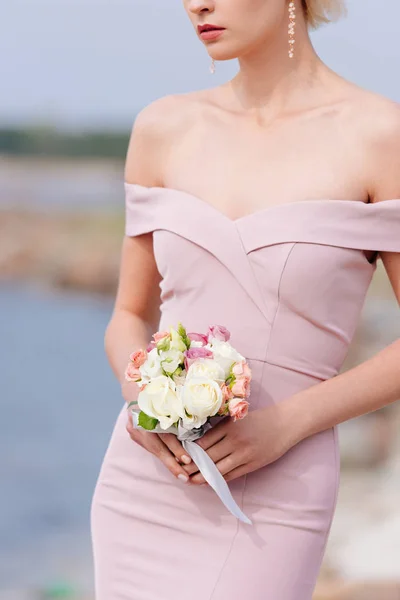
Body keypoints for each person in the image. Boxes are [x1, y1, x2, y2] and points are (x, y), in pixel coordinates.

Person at [90, 1, 400, 598]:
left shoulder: (380, 136)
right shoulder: (163, 127)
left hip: (277, 485)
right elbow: (128, 317)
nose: (196, 4)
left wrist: (286, 424)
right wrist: (142, 404)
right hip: (146, 479)